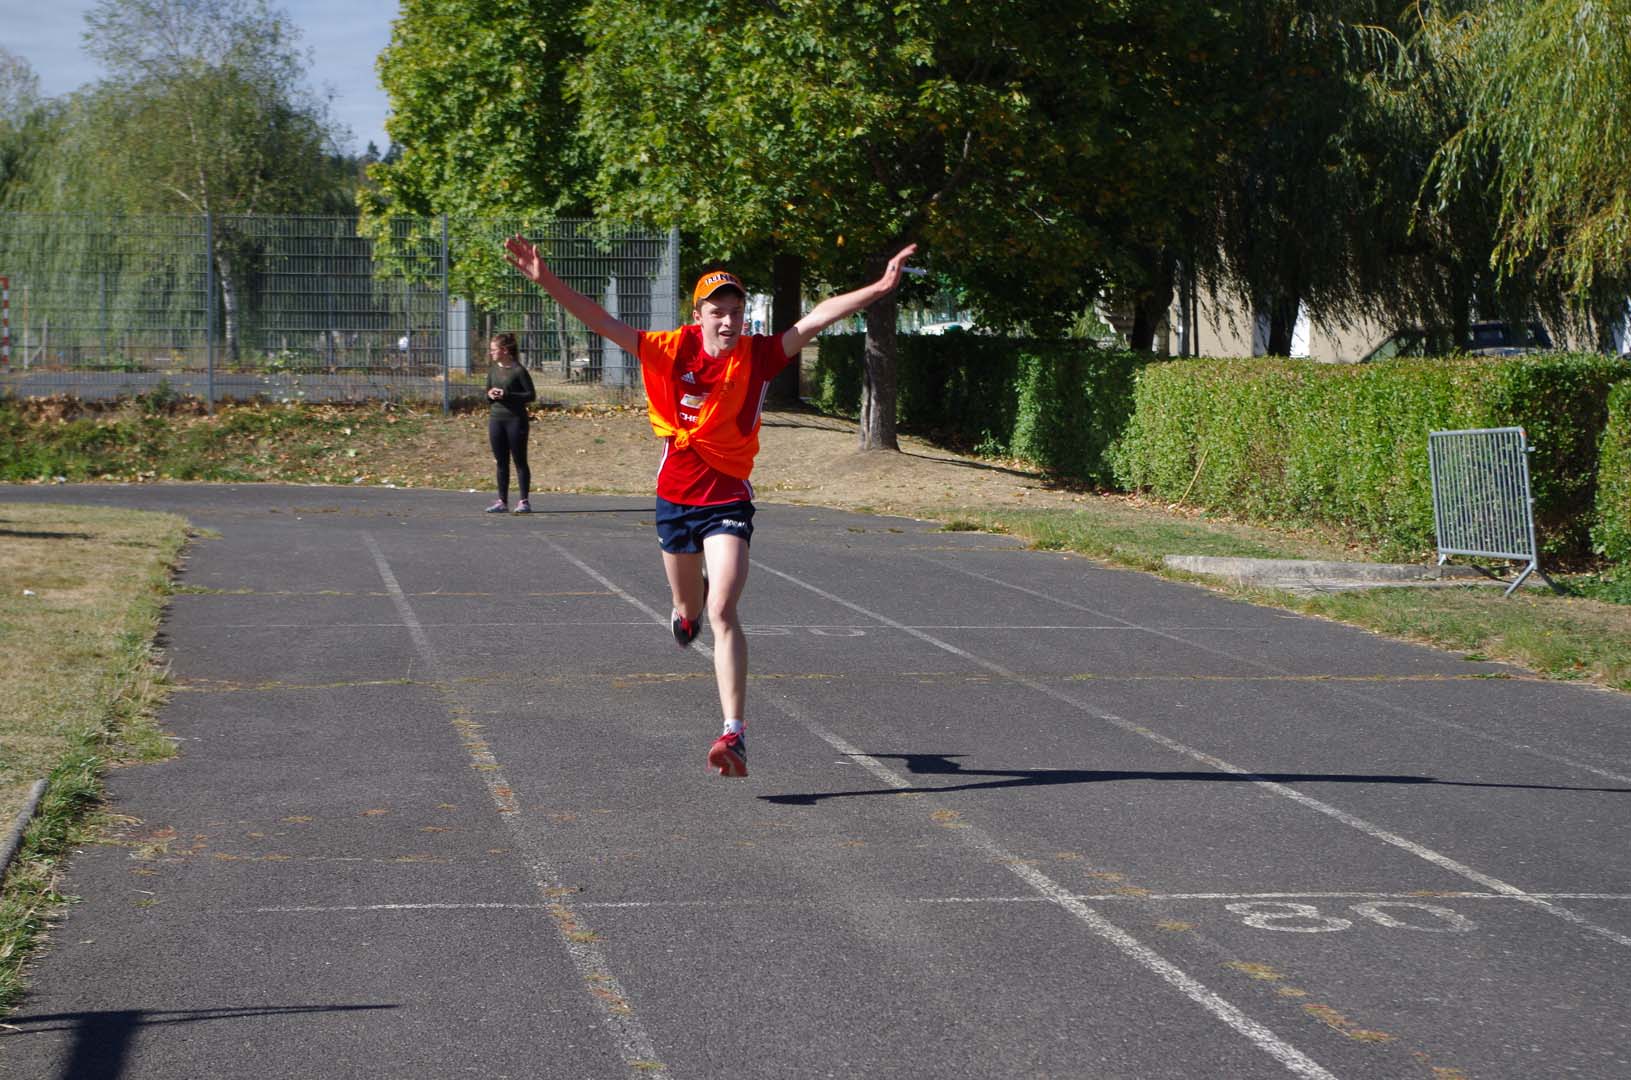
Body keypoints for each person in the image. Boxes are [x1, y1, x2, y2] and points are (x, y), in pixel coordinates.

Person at [503, 235, 918, 777]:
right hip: (674, 498)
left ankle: (733, 733)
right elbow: (602, 321)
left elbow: (817, 318)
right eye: (717, 312)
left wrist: (880, 288)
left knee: (723, 610)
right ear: (697, 316)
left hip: (726, 499)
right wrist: (547, 280)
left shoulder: (760, 355)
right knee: (691, 611)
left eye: (736, 311)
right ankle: (685, 608)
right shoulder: (669, 349)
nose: (728, 321)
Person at [483, 332, 536, 514]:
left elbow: (530, 395)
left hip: (515, 420)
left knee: (519, 460)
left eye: (493, 350)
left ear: (504, 350)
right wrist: (490, 396)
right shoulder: (493, 370)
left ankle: (524, 501)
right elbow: (487, 393)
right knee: (501, 461)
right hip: (496, 420)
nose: (491, 353)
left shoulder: (518, 371)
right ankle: (502, 501)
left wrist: (508, 395)